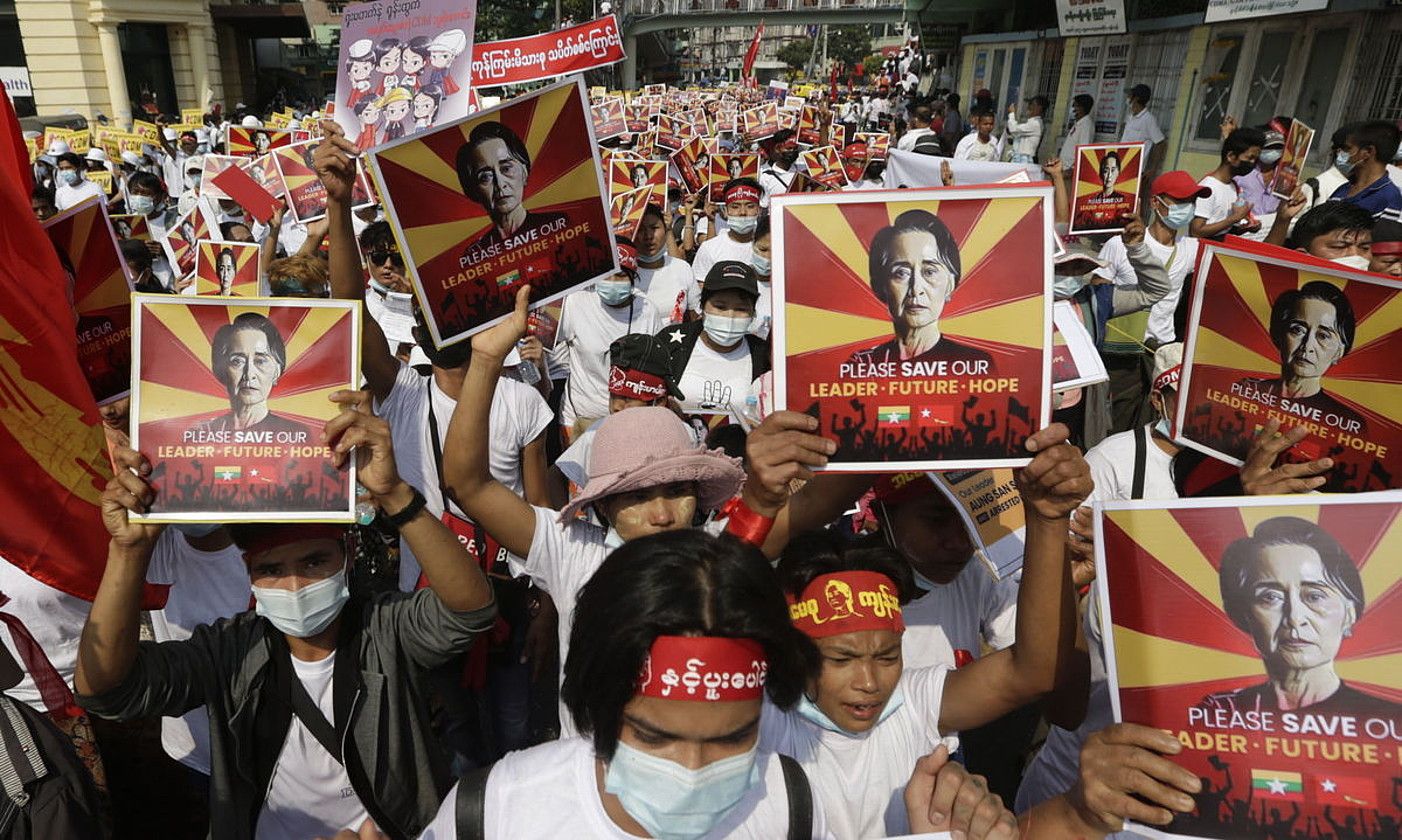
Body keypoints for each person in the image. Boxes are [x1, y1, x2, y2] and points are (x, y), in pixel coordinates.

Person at [75, 391, 498, 840]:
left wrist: (395, 495)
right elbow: (107, 691)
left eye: (314, 562)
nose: (295, 586)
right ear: (249, 575)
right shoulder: (230, 652)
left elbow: (471, 610)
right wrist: (128, 550)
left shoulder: (383, 630)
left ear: (348, 556)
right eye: (271, 570)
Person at [762, 423, 1091, 838]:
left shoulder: (912, 702)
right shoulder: (759, 718)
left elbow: (1037, 672)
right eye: (841, 659)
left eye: (887, 656)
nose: (868, 683)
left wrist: (1048, 520)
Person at [1199, 517, 1401, 717]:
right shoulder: (1220, 713)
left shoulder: (1387, 721)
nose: (1295, 618)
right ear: (1244, 616)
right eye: (1270, 597)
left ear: (1350, 614)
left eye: (1314, 596)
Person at [845, 209, 992, 367]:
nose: (915, 289)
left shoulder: (972, 364)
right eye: (901, 273)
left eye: (929, 272)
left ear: (950, 284)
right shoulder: (862, 365)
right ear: (880, 286)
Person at [1232, 281, 1364, 434]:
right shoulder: (1247, 391)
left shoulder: (1348, 424)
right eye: (1297, 330)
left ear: (1339, 352)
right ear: (1279, 335)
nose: (1307, 346)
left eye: (1323, 336)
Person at [658, 260, 769, 417]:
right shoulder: (670, 343)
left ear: (753, 314)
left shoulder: (763, 355)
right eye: (720, 307)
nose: (729, 317)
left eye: (741, 309)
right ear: (702, 306)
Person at [455, 120, 568, 266]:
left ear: (524, 173)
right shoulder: (475, 255)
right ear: (474, 190)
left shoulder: (558, 225)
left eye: (506, 168)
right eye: (485, 177)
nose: (500, 184)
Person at [191, 313, 314, 441]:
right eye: (237, 361)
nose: (249, 374)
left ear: (276, 372)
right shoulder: (202, 433)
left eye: (260, 361)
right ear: (221, 370)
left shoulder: (296, 435)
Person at [1190, 127, 1264, 240]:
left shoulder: (1233, 186)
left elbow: (1222, 227)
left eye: (1256, 159)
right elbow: (1196, 232)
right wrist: (1234, 218)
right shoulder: (1209, 187)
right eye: (1250, 158)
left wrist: (1244, 228)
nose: (1253, 163)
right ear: (1231, 156)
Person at [633, 204, 698, 325]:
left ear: (666, 228)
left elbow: (695, 316)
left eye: (654, 228)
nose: (648, 236)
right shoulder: (623, 275)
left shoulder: (682, 268)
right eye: (640, 229)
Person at [691, 179, 763, 286]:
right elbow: (699, 292)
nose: (742, 212)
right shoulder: (709, 248)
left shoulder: (772, 248)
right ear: (726, 210)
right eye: (735, 206)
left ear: (759, 210)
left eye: (750, 206)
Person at [1327, 119, 1402, 220]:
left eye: (1348, 148)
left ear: (1368, 152)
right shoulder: (1342, 190)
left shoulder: (1389, 198)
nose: (1341, 154)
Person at [1120, 84, 1166, 177]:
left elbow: (1160, 143)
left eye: (1129, 96)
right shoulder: (1130, 116)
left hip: (1135, 170)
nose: (1127, 98)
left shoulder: (1148, 119)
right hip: (1121, 165)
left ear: (1136, 98)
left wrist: (1152, 169)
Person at [758, 130, 800, 207]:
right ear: (777, 148)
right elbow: (764, 205)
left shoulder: (804, 169)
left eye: (795, 148)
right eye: (789, 148)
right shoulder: (765, 177)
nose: (793, 152)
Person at [1004, 95, 1046, 165]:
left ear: (1039, 108)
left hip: (1025, 160)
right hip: (1019, 158)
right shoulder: (1031, 122)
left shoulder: (1036, 124)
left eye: (1032, 104)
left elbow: (1014, 129)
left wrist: (1011, 114)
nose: (1028, 107)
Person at [1059, 94, 1095, 169]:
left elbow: (1083, 150)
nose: (1072, 109)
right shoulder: (1078, 123)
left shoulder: (1086, 125)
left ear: (1081, 108)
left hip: (1070, 170)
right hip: (1063, 166)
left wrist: (1073, 168)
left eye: (1074, 106)